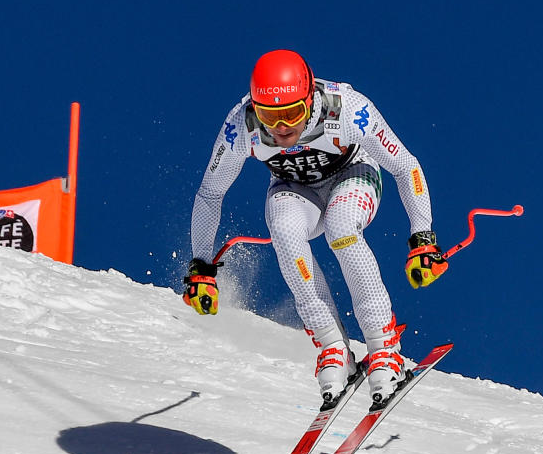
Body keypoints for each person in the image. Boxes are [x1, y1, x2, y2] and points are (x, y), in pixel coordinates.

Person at [184, 49, 448, 406]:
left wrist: (423, 237)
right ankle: (332, 346)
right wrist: (201, 267)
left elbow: (405, 165)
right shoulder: (240, 127)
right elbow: (210, 193)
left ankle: (385, 348)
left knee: (342, 228)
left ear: (310, 100)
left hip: (353, 173)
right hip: (294, 187)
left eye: (292, 113)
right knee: (284, 231)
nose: (281, 129)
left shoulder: (348, 110)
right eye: (269, 116)